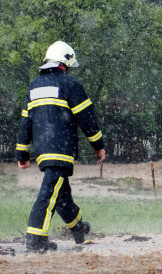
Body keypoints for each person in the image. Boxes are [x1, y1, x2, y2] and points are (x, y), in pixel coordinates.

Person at [16, 41, 105, 253]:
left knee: (61, 194)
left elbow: (25, 122)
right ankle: (35, 239)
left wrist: (22, 152)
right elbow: (87, 118)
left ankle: (78, 228)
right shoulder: (70, 85)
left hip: (43, 150)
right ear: (64, 62)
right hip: (62, 149)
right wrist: (98, 144)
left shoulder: (34, 86)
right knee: (49, 193)